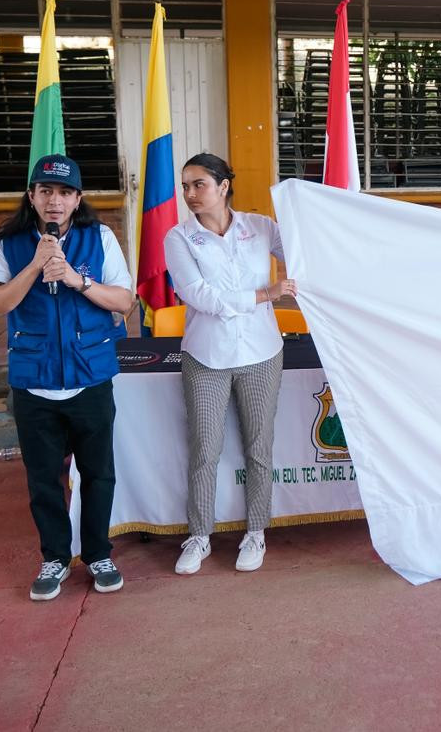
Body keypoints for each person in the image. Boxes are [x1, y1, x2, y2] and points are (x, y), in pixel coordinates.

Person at [0, 154, 135, 601]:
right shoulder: (6, 243)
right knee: (43, 477)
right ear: (31, 196)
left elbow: (124, 301)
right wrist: (34, 264)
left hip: (89, 378)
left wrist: (74, 278)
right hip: (35, 383)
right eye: (45, 191)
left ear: (77, 199)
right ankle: (54, 557)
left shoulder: (99, 238)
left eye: (65, 192)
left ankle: (98, 554)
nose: (55, 201)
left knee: (98, 473)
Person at [163, 153, 297, 575]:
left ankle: (256, 532)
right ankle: (199, 536)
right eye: (185, 186)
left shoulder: (260, 228)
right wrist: (265, 295)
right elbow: (200, 298)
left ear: (223, 187)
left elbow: (304, 249)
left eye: (198, 184)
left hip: (262, 352)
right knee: (205, 449)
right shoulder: (178, 239)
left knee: (260, 447)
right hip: (206, 356)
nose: (189, 194)